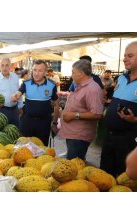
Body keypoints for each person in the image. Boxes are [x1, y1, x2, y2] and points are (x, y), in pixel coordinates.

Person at [100, 41, 137, 177]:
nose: (125, 59)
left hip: (129, 140)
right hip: (109, 136)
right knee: (104, 175)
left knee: (124, 178)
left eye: (130, 55)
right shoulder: (121, 78)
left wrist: (134, 120)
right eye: (124, 55)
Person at [59, 59, 103, 160]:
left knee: (74, 167)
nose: (71, 75)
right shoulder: (79, 86)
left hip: (79, 136)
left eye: (73, 72)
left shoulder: (92, 89)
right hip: (72, 134)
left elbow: (97, 114)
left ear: (81, 73)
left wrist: (75, 115)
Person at [11, 60, 59, 146]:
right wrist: (15, 97)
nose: (36, 73)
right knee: (24, 150)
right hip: (27, 123)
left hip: (44, 124)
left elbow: (56, 104)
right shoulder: (26, 84)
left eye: (40, 71)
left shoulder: (51, 85)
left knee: (42, 150)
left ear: (45, 72)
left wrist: (55, 123)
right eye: (34, 70)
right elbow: (18, 93)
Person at [0, 58, 23, 127]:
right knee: (4, 132)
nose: (4, 68)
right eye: (2, 65)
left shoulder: (15, 77)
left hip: (15, 110)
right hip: (2, 111)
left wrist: (20, 106)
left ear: (10, 66)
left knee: (16, 131)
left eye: (6, 65)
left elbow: (19, 91)